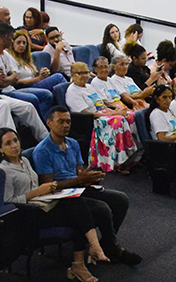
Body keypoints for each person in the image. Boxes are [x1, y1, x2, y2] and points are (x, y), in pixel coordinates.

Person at [0, 128, 105, 282]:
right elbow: (8, 201)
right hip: (27, 214)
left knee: (77, 205)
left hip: (44, 204)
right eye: (8, 143)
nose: (14, 145)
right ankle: (90, 252)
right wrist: (36, 193)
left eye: (15, 140)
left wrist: (47, 191)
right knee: (76, 212)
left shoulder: (24, 161)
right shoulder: (3, 171)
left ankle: (81, 262)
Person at [32, 107, 140, 265]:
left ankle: (107, 243)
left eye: (68, 121)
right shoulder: (42, 151)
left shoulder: (73, 144)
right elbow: (49, 185)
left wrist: (88, 178)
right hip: (61, 196)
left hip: (78, 188)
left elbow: (79, 171)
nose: (66, 125)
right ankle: (111, 247)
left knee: (120, 199)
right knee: (102, 208)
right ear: (49, 123)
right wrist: (80, 180)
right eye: (61, 121)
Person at [65, 61, 136, 172]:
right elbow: (87, 113)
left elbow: (101, 106)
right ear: (73, 75)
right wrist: (114, 114)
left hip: (102, 114)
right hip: (90, 120)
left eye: (86, 72)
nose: (84, 76)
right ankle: (118, 162)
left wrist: (116, 110)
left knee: (130, 115)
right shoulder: (73, 91)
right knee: (118, 120)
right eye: (80, 73)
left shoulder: (89, 87)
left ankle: (133, 157)